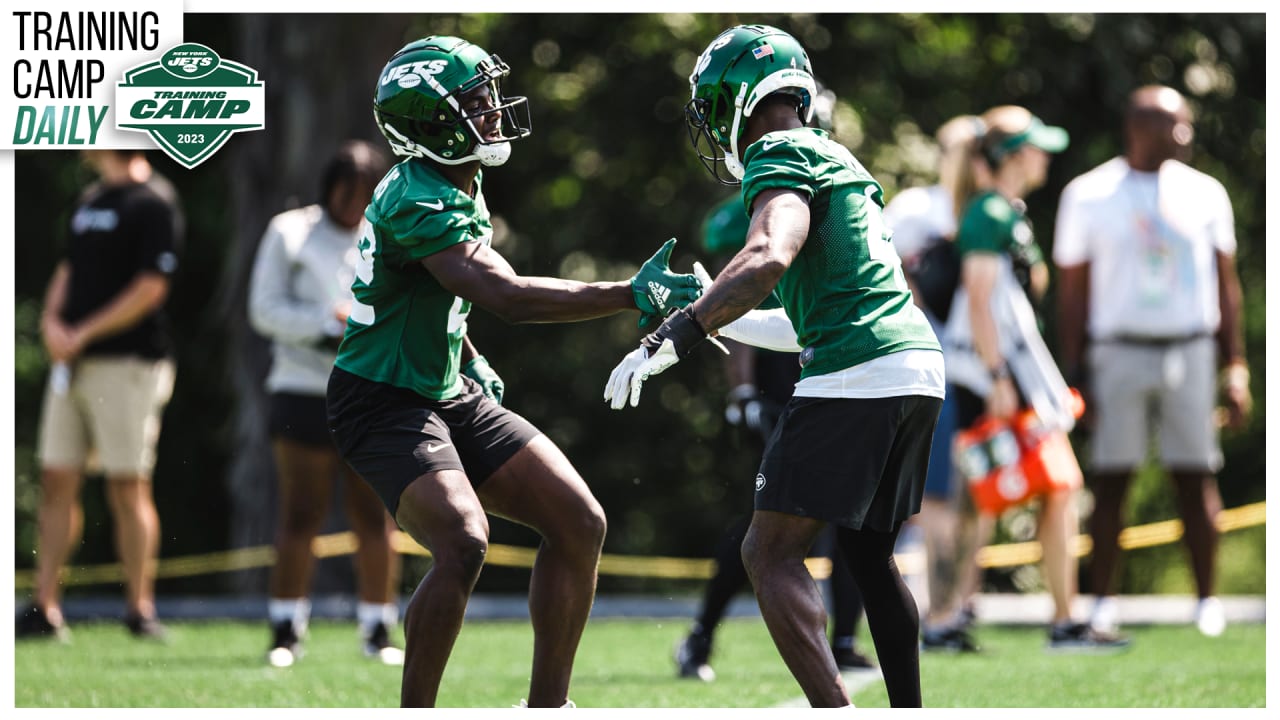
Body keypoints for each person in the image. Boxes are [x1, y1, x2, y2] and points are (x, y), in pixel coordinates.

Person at [325, 36, 703, 708]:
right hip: (381, 402)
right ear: (428, 123)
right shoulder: (416, 194)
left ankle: (550, 707)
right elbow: (505, 296)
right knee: (464, 542)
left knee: (578, 521)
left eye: (488, 95)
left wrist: (468, 357)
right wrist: (625, 293)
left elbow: (429, 298)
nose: (494, 110)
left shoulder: (456, 172)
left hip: (444, 388)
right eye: (474, 102)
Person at [606, 25, 944, 708]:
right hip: (913, 366)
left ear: (734, 100)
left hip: (858, 372)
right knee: (869, 559)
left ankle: (833, 707)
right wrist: (708, 303)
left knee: (767, 552)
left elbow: (766, 256)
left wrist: (679, 332)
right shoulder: (833, 155)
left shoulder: (779, 152)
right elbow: (805, 322)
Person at [1053, 85, 1251, 638]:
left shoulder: (1206, 193)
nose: (1185, 135)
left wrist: (1235, 365)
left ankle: (1206, 600)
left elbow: (1225, 283)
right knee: (1113, 479)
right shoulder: (1089, 194)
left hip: (1189, 346)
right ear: (1139, 128)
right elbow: (1073, 291)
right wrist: (1077, 370)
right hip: (1118, 349)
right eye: (1174, 125)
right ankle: (1102, 601)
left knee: (1196, 474)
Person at [942, 104, 1128, 652]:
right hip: (994, 377)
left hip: (1001, 376)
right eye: (1036, 146)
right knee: (1014, 492)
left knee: (1006, 495)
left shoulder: (1002, 210)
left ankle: (958, 616)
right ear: (1013, 156)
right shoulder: (991, 214)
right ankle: (962, 615)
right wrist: (999, 375)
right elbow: (978, 300)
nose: (1045, 155)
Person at [674, 192, 874, 683]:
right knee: (766, 524)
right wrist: (742, 391)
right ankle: (701, 634)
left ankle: (845, 639)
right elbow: (732, 297)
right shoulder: (745, 210)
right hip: (779, 384)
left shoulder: (834, 200)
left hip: (830, 374)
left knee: (853, 516)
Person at [248, 140, 405, 667]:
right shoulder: (290, 231)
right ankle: (285, 627)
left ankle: (378, 628)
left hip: (369, 393)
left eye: (366, 194)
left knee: (374, 516)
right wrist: (323, 324)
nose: (355, 204)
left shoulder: (388, 232)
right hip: (302, 390)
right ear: (328, 187)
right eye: (347, 192)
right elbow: (264, 309)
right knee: (300, 512)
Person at [16, 149, 183, 642]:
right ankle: (45, 608)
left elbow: (152, 287)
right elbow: (68, 270)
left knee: (126, 486)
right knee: (55, 478)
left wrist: (82, 332)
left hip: (130, 365)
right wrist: (50, 324)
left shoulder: (155, 201)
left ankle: (139, 609)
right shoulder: (88, 200)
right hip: (73, 367)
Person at [882, 114, 987, 652]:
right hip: (935, 364)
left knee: (976, 497)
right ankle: (937, 614)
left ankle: (959, 606)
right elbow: (887, 271)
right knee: (937, 498)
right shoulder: (917, 209)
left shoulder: (994, 210)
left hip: (981, 374)